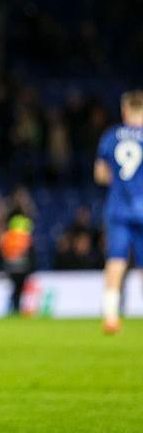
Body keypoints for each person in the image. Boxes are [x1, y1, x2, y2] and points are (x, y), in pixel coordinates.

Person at [94, 90, 143, 334]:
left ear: (125, 110)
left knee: (115, 262)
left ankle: (111, 318)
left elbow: (100, 174)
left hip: (119, 209)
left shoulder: (111, 136)